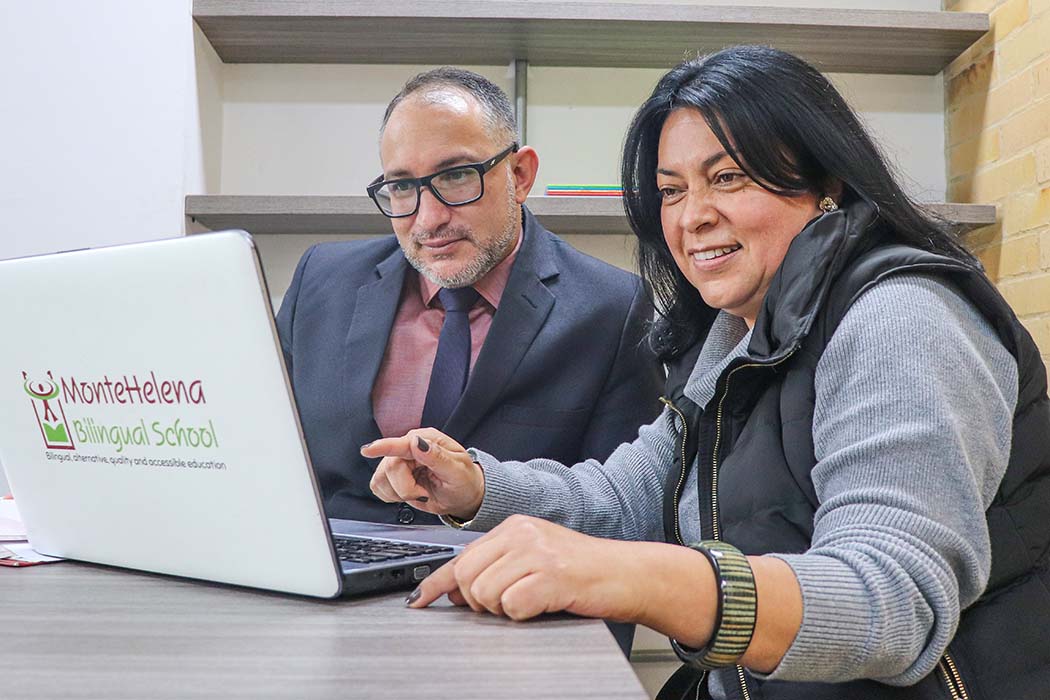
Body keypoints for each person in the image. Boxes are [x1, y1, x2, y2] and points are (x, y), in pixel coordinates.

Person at [362, 46, 1050, 699]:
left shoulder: (900, 318)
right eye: (671, 191)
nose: (692, 217)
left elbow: (890, 600)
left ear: (826, 183)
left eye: (727, 178)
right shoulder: (733, 336)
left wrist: (637, 577)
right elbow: (626, 499)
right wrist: (476, 486)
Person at [276, 67, 662, 529]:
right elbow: (262, 448)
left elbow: (625, 511)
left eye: (457, 176)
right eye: (402, 186)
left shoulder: (612, 308)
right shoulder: (321, 280)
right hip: (330, 564)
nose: (428, 219)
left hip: (503, 569)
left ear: (520, 175)